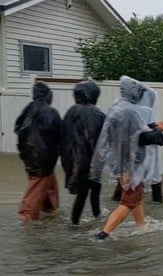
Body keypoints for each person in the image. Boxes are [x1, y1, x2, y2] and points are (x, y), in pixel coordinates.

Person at [90, 76, 163, 240]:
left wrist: (154, 126)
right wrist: (159, 133)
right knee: (129, 200)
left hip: (119, 162)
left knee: (136, 195)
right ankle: (103, 235)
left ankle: (141, 226)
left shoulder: (117, 107)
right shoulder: (129, 112)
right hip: (129, 164)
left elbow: (131, 133)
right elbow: (140, 137)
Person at [15, 81, 62, 221]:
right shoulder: (50, 112)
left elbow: (18, 129)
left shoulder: (28, 109)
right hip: (43, 157)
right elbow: (59, 134)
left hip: (29, 154)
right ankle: (27, 219)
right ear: (48, 96)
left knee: (48, 183)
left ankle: (49, 209)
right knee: (36, 187)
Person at [60, 81, 106, 225]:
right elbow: (100, 139)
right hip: (89, 159)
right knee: (90, 189)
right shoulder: (96, 113)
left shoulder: (71, 111)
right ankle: (83, 220)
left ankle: (90, 216)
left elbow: (62, 135)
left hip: (72, 159)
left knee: (85, 189)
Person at [111, 87, 163, 204]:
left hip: (129, 154)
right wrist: (157, 129)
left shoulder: (122, 109)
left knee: (127, 183)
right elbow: (145, 133)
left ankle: (121, 204)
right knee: (149, 182)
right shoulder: (146, 111)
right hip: (143, 152)